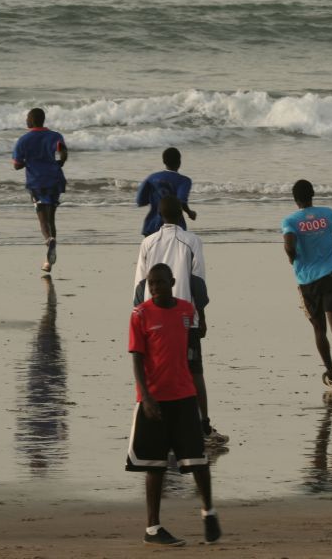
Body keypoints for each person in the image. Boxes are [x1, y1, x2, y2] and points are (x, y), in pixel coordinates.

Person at [126, 263, 221, 546]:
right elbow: (136, 358)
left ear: (172, 281)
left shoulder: (186, 311)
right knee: (155, 466)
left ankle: (209, 511)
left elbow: (194, 360)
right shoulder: (140, 315)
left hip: (183, 396)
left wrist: (204, 411)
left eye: (159, 282)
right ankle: (152, 528)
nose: (154, 288)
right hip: (154, 400)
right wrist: (145, 397)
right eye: (150, 283)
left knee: (198, 460)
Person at [133, 196, 229, 447]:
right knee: (193, 371)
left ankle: (157, 419)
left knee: (156, 369)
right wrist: (202, 316)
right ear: (181, 216)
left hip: (151, 318)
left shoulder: (147, 243)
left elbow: (140, 285)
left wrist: (139, 318)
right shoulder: (191, 241)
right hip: (184, 317)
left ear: (159, 215)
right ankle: (203, 426)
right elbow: (197, 283)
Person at [282, 179, 332, 389]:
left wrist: (292, 256)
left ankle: (331, 372)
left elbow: (289, 244)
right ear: (313, 194)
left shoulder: (291, 220)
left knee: (319, 328)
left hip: (308, 280)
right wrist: (327, 242)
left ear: (295, 199)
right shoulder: (330, 214)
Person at [12, 108, 68, 272]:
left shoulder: (23, 140)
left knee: (43, 220)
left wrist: (27, 162)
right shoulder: (54, 136)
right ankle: (49, 261)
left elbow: (16, 165)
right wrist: (60, 163)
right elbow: (63, 153)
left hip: (36, 182)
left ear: (31, 120)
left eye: (27, 118)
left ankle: (49, 240)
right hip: (55, 179)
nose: (26, 121)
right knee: (51, 218)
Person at [137, 147, 196, 236]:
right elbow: (181, 201)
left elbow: (140, 201)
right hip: (174, 227)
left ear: (164, 161)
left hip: (152, 225)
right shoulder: (184, 181)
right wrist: (190, 213)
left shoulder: (152, 177)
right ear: (179, 162)